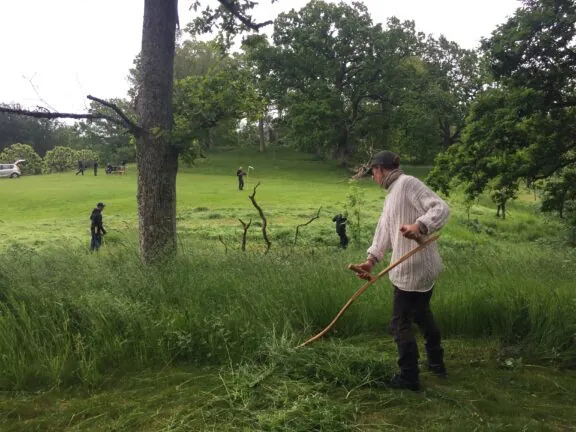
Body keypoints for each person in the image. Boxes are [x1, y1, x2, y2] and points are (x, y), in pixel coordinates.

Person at [352, 150, 450, 391]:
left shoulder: (408, 184)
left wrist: (419, 226)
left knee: (399, 323)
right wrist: (371, 260)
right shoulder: (392, 194)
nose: (372, 177)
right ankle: (436, 362)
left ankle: (408, 377)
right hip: (418, 268)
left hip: (413, 267)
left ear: (381, 169)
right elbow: (384, 230)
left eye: (372, 171)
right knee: (421, 313)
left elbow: (441, 208)